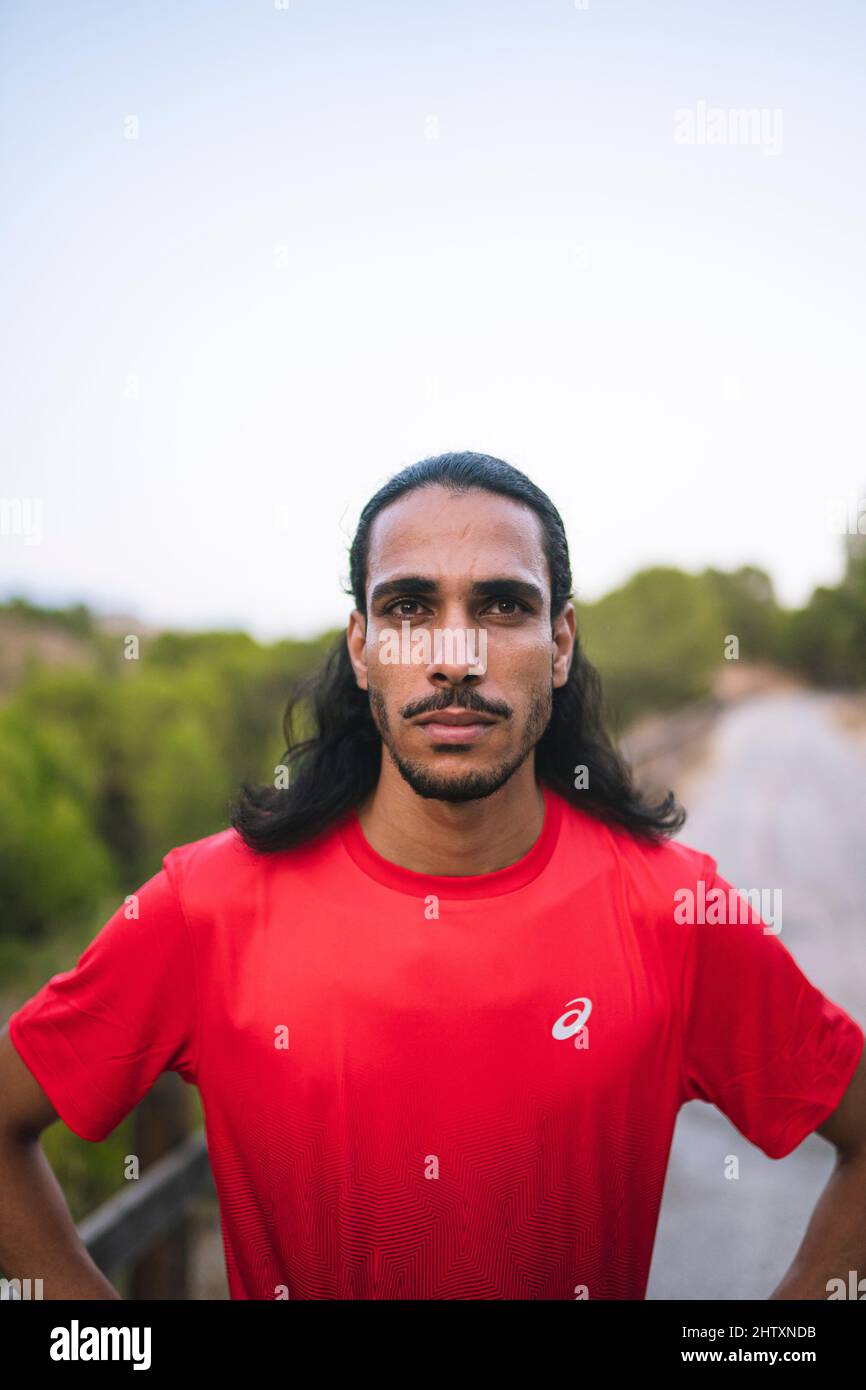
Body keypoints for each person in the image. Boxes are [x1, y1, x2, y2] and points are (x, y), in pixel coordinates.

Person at [1, 450, 864, 1300]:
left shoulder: (675, 910)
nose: (455, 656)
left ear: (559, 643)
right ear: (363, 646)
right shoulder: (207, 906)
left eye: (501, 606)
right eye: (411, 607)